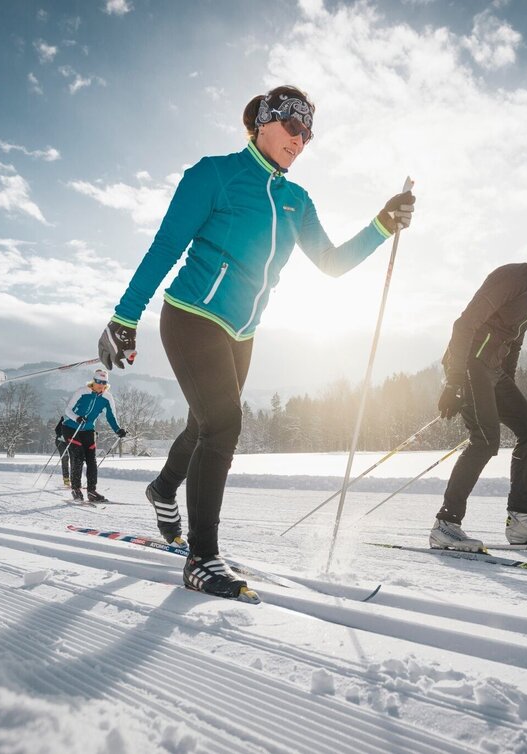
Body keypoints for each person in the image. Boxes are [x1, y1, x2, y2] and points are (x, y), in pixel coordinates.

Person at [97, 84, 415, 599]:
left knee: (204, 423)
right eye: (293, 125)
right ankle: (201, 558)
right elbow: (165, 246)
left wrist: (382, 224)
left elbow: (331, 264)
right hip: (192, 314)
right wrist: (124, 316)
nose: (301, 138)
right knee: (224, 424)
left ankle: (161, 488)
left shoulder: (297, 201)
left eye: (308, 132)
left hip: (242, 331)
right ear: (263, 121)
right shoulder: (216, 175)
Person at [431, 228, 527, 552]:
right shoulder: (512, 276)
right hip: (470, 363)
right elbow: (464, 324)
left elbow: (514, 340)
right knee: (485, 442)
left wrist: (506, 380)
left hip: (492, 371)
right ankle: (446, 524)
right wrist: (455, 381)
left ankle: (520, 521)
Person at [61, 368, 126, 503]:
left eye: (103, 382)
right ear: (93, 381)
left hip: (88, 430)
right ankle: (76, 489)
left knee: (91, 460)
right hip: (71, 427)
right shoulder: (82, 391)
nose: (100, 385)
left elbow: (111, 417)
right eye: (98, 381)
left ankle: (91, 491)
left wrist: (118, 430)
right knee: (78, 455)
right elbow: (67, 410)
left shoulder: (107, 397)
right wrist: (77, 418)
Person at [53, 418, 71, 487]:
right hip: (60, 441)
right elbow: (57, 429)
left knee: (74, 458)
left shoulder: (78, 419)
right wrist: (61, 435)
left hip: (69, 441)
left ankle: (75, 480)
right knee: (65, 458)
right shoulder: (65, 418)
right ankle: (66, 480)